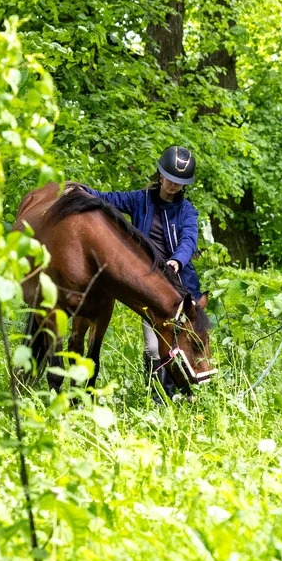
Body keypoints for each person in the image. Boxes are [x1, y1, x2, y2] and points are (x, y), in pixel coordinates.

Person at [79, 146, 204, 399]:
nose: (173, 185)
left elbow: (189, 241)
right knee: (152, 347)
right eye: (169, 178)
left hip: (180, 288)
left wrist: (177, 261)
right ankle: (158, 395)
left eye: (179, 182)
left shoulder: (187, 211)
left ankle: (185, 391)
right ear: (160, 175)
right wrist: (81, 192)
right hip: (151, 287)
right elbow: (108, 199)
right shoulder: (140, 199)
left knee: (187, 344)